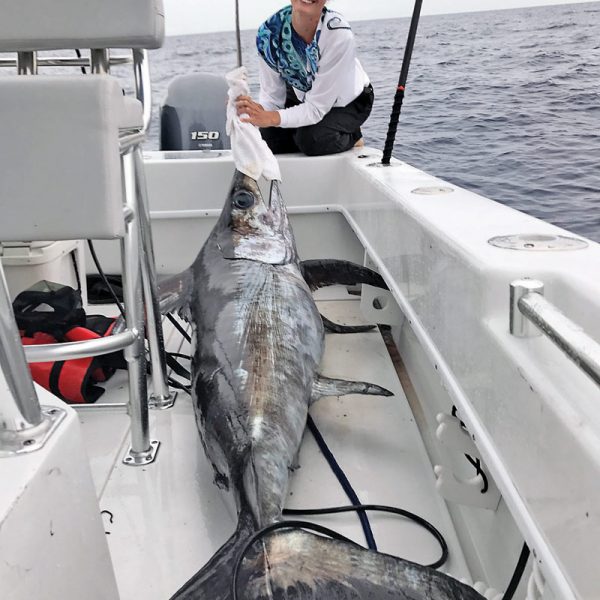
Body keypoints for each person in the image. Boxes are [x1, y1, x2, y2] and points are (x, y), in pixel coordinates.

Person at [235, 0, 373, 156]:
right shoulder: (268, 34)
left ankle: (353, 135)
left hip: (350, 100)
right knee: (267, 140)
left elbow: (316, 109)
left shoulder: (338, 34)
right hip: (306, 96)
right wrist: (253, 113)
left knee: (311, 140)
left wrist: (272, 118)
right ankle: (307, 130)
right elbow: (272, 99)